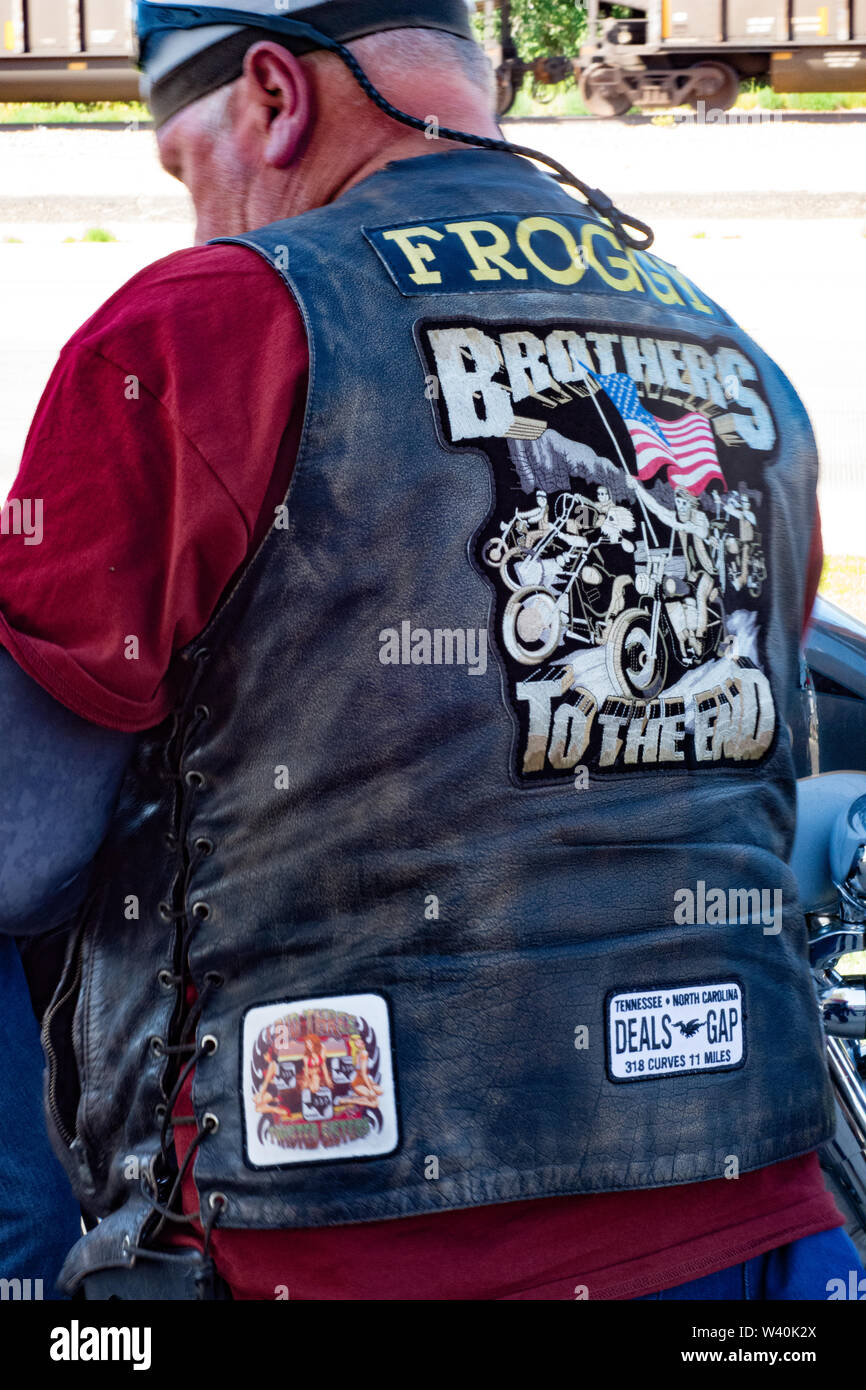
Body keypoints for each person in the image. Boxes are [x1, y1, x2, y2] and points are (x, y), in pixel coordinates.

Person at [0, 0, 861, 1301]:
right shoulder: (737, 357)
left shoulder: (203, 327)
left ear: (275, 96)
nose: (195, 222)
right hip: (765, 1222)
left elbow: (19, 852)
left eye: (186, 168)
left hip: (328, 1231)